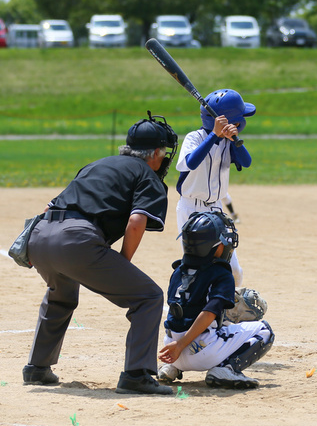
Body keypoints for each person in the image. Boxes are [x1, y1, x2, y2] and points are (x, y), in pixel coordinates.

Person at [21, 112, 178, 395]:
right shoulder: (147, 175)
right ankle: (136, 375)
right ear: (155, 153)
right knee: (148, 296)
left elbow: (49, 206)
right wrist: (123, 261)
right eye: (164, 153)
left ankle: (37, 368)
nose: (164, 159)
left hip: (40, 235)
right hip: (77, 240)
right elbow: (136, 221)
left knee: (61, 295)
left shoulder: (97, 164)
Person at [157, 211, 274, 389]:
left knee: (191, 314)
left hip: (171, 350)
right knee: (265, 330)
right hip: (200, 352)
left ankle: (172, 369)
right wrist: (181, 345)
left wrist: (178, 346)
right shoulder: (221, 273)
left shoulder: (178, 270)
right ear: (217, 247)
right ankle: (226, 369)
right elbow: (209, 313)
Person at [175, 89, 255, 286]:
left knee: (233, 270)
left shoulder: (229, 143)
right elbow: (191, 163)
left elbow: (247, 162)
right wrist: (213, 135)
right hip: (191, 209)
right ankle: (189, 309)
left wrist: (235, 141)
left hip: (216, 209)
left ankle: (225, 312)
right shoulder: (194, 138)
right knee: (198, 268)